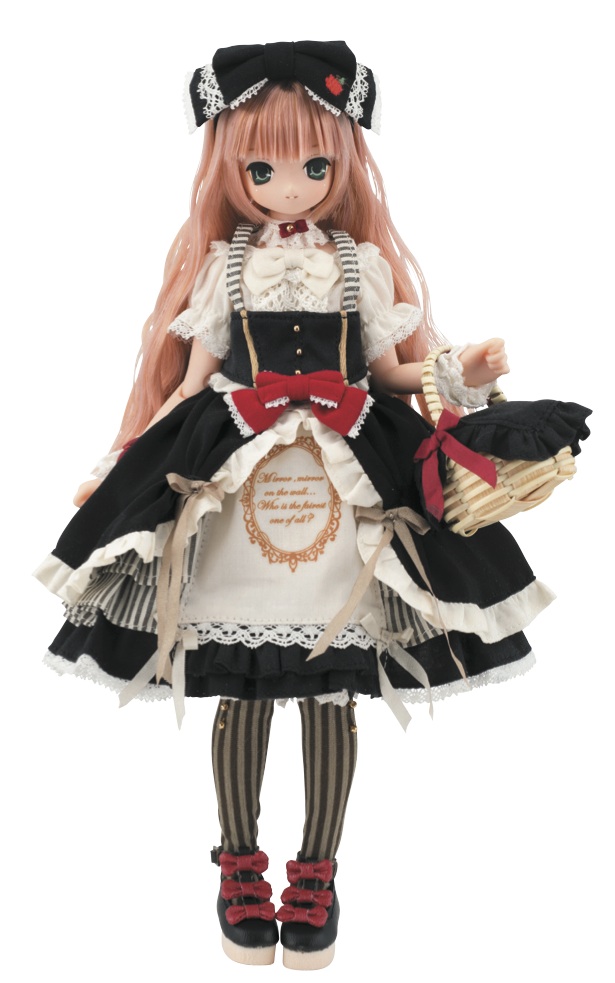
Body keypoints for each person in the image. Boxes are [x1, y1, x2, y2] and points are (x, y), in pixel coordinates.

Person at [34, 41, 590, 970]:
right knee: (239, 678)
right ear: (230, 169)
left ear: (344, 164)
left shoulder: (356, 262)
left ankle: (318, 871)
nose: (288, 186)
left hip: (347, 473)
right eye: (262, 169)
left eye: (313, 165)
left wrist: (456, 370)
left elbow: (390, 373)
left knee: (335, 678)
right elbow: (188, 386)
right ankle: (238, 864)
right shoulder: (226, 265)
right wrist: (121, 462)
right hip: (236, 475)